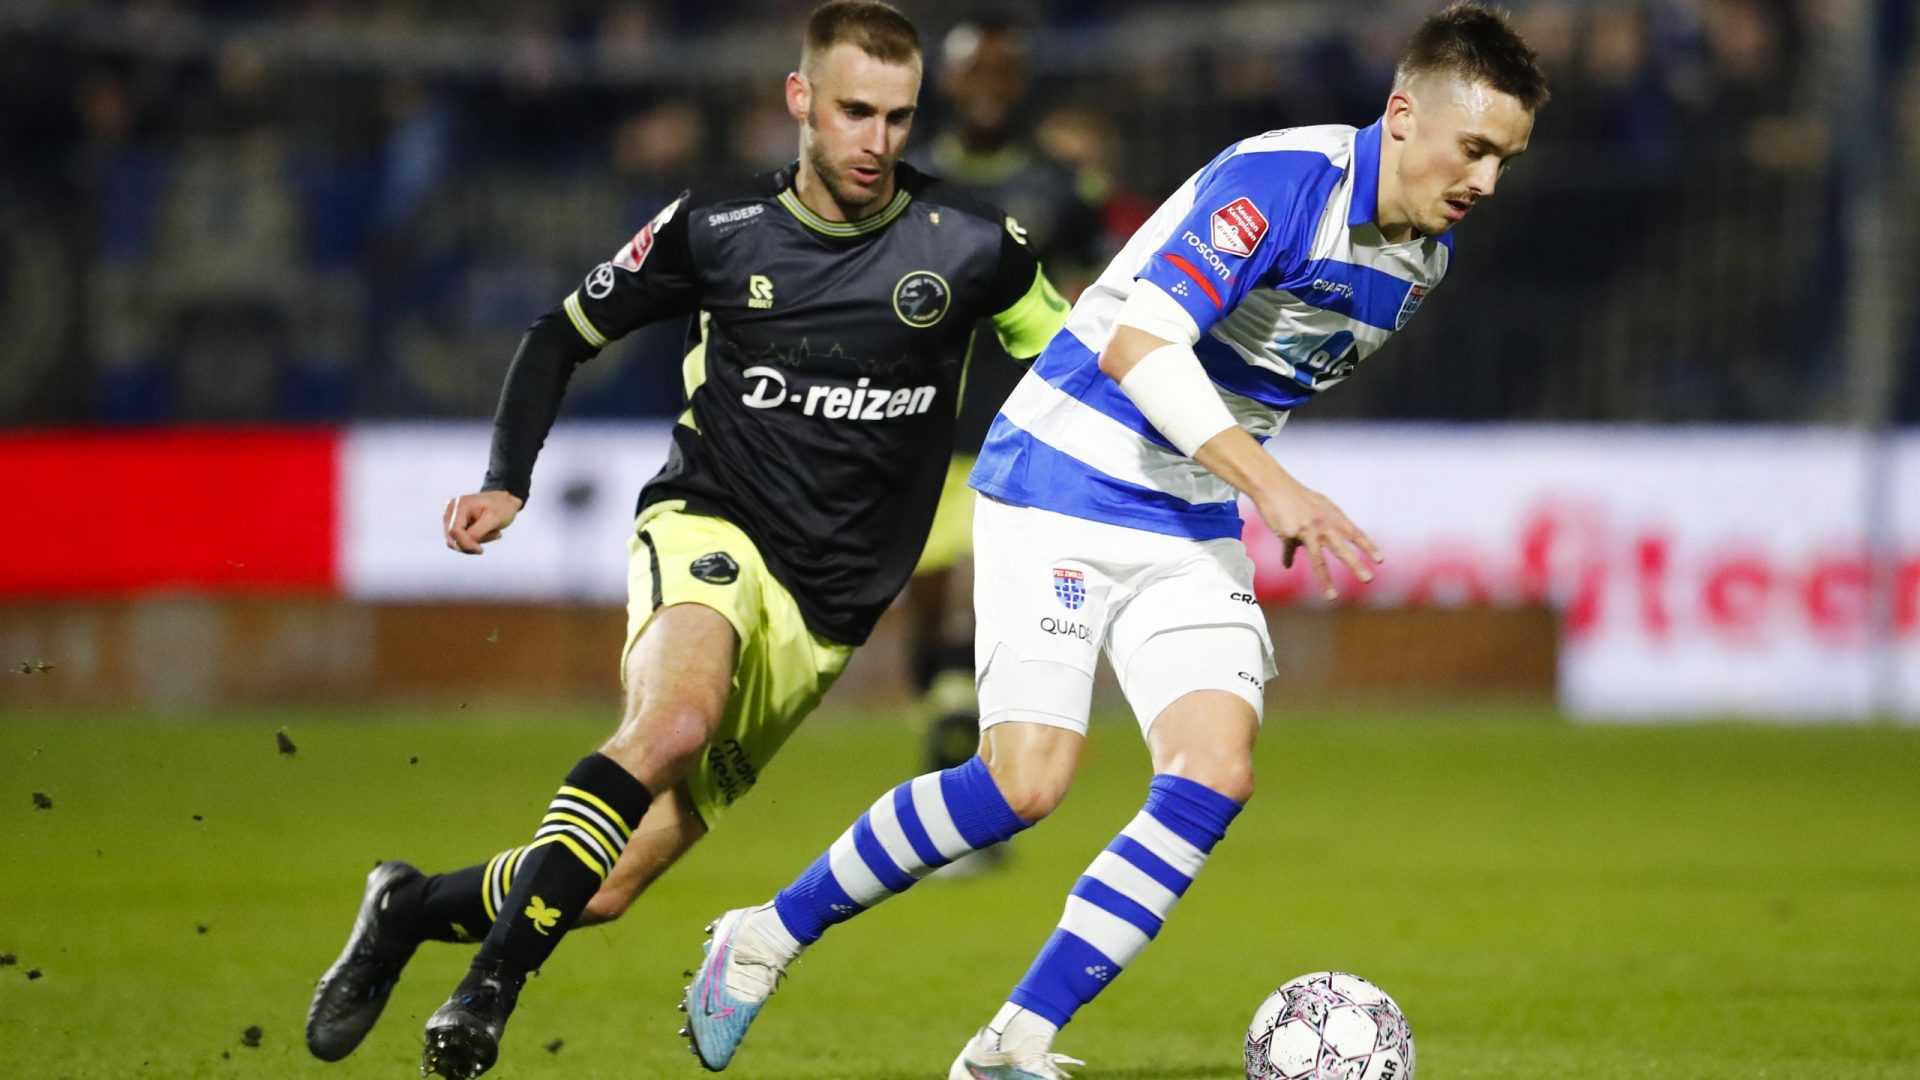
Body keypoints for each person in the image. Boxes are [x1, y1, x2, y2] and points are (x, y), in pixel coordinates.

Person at [681, 4, 1549, 1077]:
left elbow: (1258, 385)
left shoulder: (1425, 264)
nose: (1488, 183)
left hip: (1185, 511)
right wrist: (1272, 488)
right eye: (1476, 149)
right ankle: (761, 939)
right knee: (1022, 784)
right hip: (1063, 477)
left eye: (1506, 160)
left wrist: (1241, 480)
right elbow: (1143, 346)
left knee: (1214, 773)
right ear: (1405, 114)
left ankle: (1015, 1042)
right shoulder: (1282, 182)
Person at [301, 4, 1068, 1077]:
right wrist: (504, 481)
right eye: (853, 111)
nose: (875, 142)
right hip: (711, 523)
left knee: (605, 888)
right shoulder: (715, 227)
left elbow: (1079, 366)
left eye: (897, 118)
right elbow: (558, 335)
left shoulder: (972, 246)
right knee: (675, 717)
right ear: (800, 100)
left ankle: (404, 909)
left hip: (827, 611)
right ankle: (487, 993)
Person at [902, 16, 1105, 874]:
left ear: (1018, 83)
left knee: (981, 603)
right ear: (948, 83)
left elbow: (1097, 286)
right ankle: (944, 760)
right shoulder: (910, 178)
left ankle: (964, 798)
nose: (986, 85)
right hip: (913, 421)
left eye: (1000, 71)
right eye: (971, 71)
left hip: (1014, 421)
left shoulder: (1062, 183)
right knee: (923, 610)